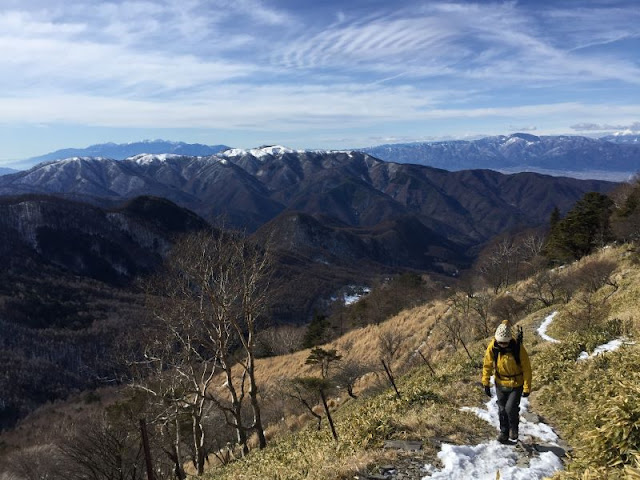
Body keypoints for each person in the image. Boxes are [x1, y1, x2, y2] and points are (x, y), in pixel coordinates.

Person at [481, 320, 532, 444]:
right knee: (502, 409)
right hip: (500, 382)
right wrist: (486, 382)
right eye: (500, 342)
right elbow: (487, 364)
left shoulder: (517, 348)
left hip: (516, 383)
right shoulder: (493, 347)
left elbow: (526, 368)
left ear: (509, 340)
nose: (502, 345)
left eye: (505, 343)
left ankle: (514, 427)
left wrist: (526, 387)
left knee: (510, 408)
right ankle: (504, 432)